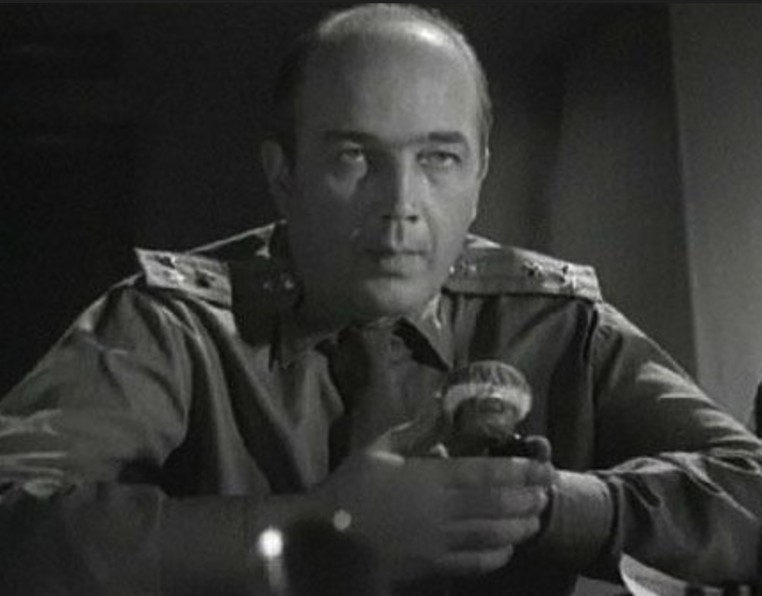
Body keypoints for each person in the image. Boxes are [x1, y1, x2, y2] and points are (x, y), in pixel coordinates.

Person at [1, 4, 760, 595]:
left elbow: (749, 490)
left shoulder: (556, 322)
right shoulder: (170, 324)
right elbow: (12, 517)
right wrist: (315, 525)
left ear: (479, 176)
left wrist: (540, 503)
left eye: (438, 158)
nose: (401, 205)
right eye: (354, 156)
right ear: (283, 176)